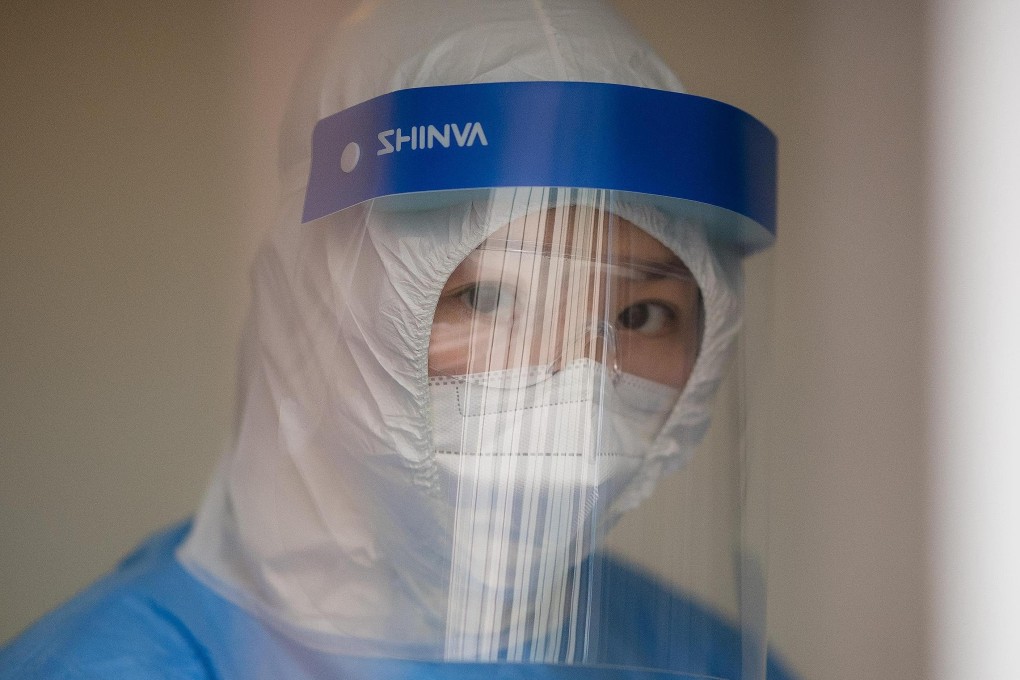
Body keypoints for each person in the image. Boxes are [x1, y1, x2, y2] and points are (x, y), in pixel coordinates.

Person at [0, 1, 793, 678]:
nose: (575, 381)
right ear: (322, 308)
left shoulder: (699, 654)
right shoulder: (115, 663)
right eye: (487, 297)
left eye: (641, 315)